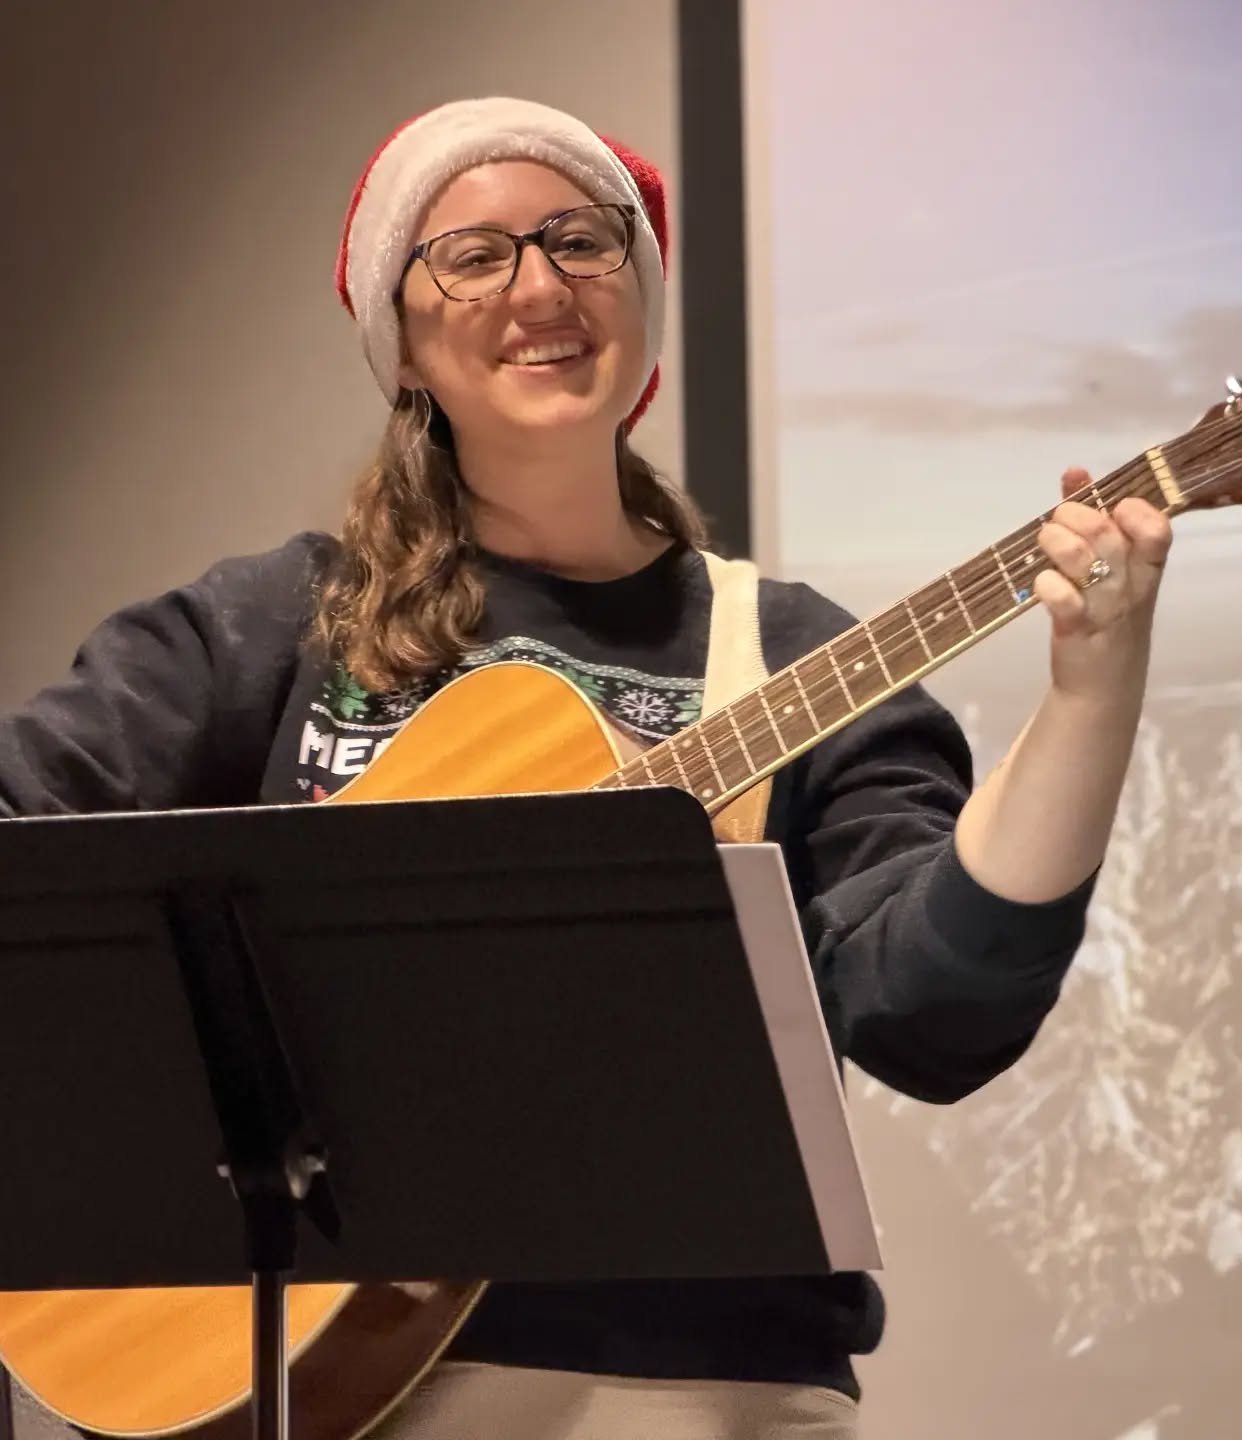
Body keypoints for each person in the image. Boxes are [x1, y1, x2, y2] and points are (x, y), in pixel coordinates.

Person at [0, 97, 1172, 1439]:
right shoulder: (271, 626)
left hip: (702, 1389)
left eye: (580, 239)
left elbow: (933, 1012)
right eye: (475, 253)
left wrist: (1092, 691)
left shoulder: (785, 657)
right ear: (403, 341)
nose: (541, 285)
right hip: (282, 1374)